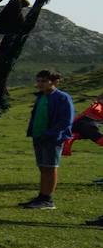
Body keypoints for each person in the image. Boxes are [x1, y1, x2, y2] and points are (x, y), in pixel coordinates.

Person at [21, 70, 74, 210]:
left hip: (52, 139)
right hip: (38, 137)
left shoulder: (63, 97)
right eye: (38, 81)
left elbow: (66, 120)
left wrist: (51, 134)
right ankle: (42, 196)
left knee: (50, 168)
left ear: (54, 81)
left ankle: (48, 199)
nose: (40, 84)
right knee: (43, 167)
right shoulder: (41, 97)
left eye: (43, 81)